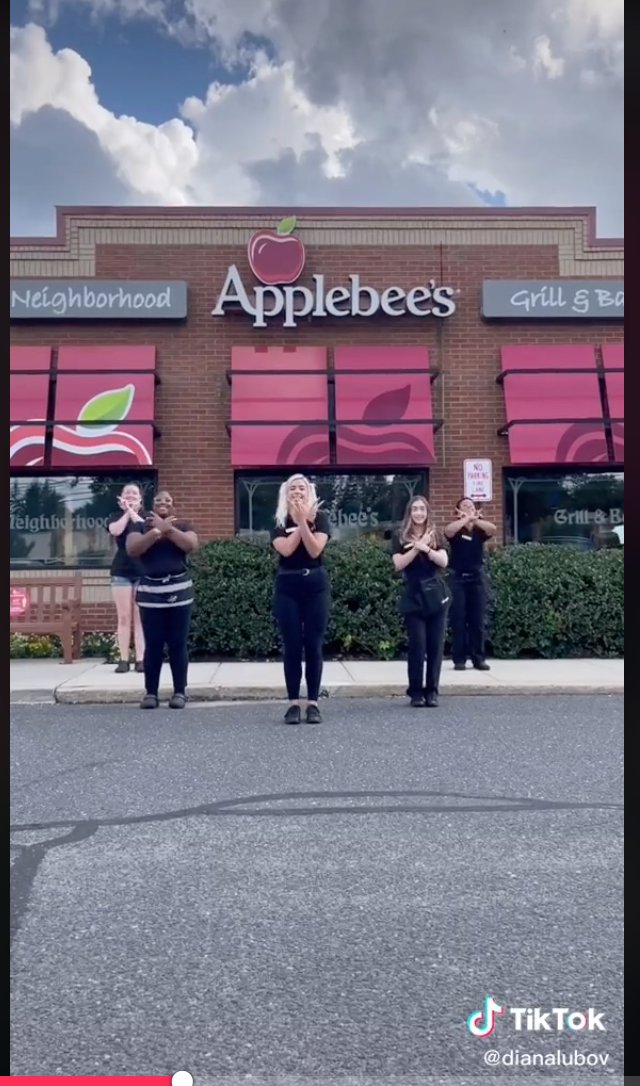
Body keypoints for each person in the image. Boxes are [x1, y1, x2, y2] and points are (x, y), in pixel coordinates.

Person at [126, 490, 199, 710]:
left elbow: (190, 545)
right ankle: (151, 693)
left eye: (168, 500)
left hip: (180, 591)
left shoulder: (184, 526)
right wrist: (157, 530)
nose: (163, 503)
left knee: (178, 644)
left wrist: (169, 528)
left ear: (173, 505)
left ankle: (180, 692)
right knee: (154, 645)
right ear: (152, 505)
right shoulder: (138, 526)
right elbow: (133, 548)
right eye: (159, 500)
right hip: (150, 594)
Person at [270, 474, 331, 725]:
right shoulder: (279, 520)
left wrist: (305, 521)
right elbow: (285, 549)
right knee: (292, 645)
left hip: (315, 585)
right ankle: (293, 702)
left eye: (302, 488)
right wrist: (299, 521)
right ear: (286, 493)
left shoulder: (321, 518)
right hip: (287, 585)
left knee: (314, 645)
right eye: (292, 488)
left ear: (309, 493)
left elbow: (315, 549)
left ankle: (313, 703)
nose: (297, 492)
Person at [392, 496, 450, 708]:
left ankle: (432, 691)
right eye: (415, 509)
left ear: (427, 512)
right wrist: (416, 547)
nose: (418, 513)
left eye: (422, 509)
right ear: (409, 512)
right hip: (414, 595)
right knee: (417, 646)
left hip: (436, 595)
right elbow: (398, 564)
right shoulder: (400, 537)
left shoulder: (435, 535)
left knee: (435, 647)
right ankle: (416, 692)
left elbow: (443, 561)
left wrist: (426, 548)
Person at [444, 497, 497, 672]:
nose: (469, 508)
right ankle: (459, 659)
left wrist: (475, 520)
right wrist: (465, 519)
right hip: (457, 578)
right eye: (465, 506)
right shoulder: (456, 530)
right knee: (458, 619)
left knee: (477, 620)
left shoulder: (479, 530)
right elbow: (448, 531)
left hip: (477, 578)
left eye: (472, 506)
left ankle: (478, 658)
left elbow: (492, 529)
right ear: (457, 510)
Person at [108, 483, 145, 674]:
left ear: (140, 497)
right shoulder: (115, 516)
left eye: (134, 493)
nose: (130, 495)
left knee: (140, 616)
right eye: (127, 492)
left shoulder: (145, 516)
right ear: (121, 496)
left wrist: (133, 511)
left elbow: (143, 528)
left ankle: (140, 659)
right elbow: (115, 530)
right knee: (123, 617)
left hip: (141, 571)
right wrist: (126, 512)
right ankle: (123, 659)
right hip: (120, 572)